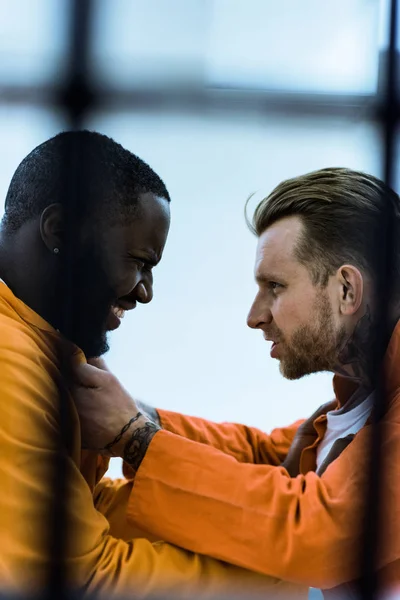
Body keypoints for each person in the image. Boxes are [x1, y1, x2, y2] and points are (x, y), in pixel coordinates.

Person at [73, 167, 400, 599]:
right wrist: (138, 419)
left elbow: (321, 531)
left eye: (275, 287)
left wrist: (135, 437)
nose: (254, 315)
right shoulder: (361, 400)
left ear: (346, 290)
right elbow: (264, 458)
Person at [0, 131, 296, 599]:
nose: (145, 292)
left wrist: (265, 524)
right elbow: (77, 581)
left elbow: (87, 511)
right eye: (139, 262)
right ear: (58, 232)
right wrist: (289, 575)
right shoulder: (10, 361)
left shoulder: (43, 340)